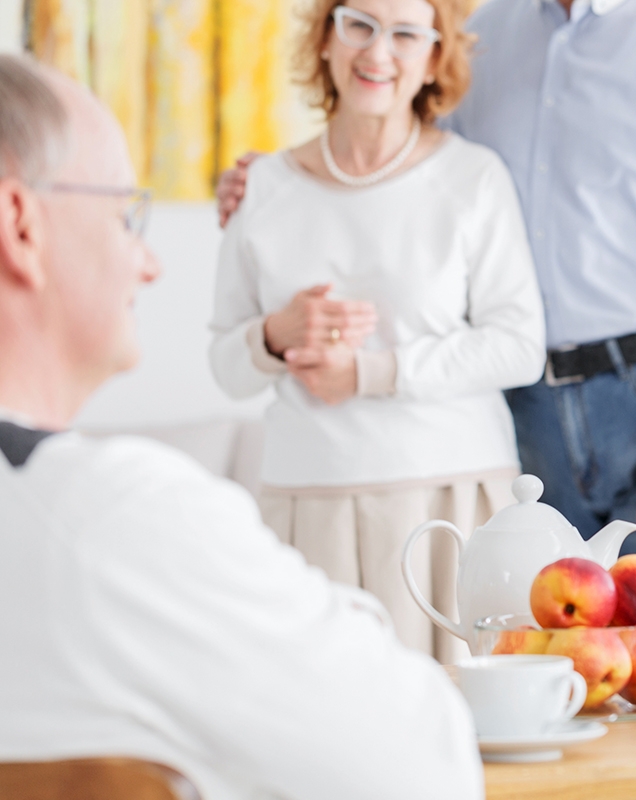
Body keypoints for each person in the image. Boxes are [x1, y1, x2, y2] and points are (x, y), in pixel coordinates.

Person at [0, 54, 480, 799]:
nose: (149, 261)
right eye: (125, 216)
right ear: (20, 225)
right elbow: (429, 767)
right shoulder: (119, 520)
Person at [219, 0, 636, 558]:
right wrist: (278, 182)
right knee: (551, 638)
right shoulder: (483, 34)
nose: (381, 44)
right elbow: (401, 164)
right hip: (526, 412)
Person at [209, 0, 546, 661]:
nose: (378, 51)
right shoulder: (263, 187)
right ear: (327, 41)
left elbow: (518, 345)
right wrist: (276, 335)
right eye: (358, 24)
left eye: (405, 34)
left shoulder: (472, 178)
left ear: (433, 58)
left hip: (447, 496)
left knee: (468, 735)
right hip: (308, 504)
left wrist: (372, 372)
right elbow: (225, 365)